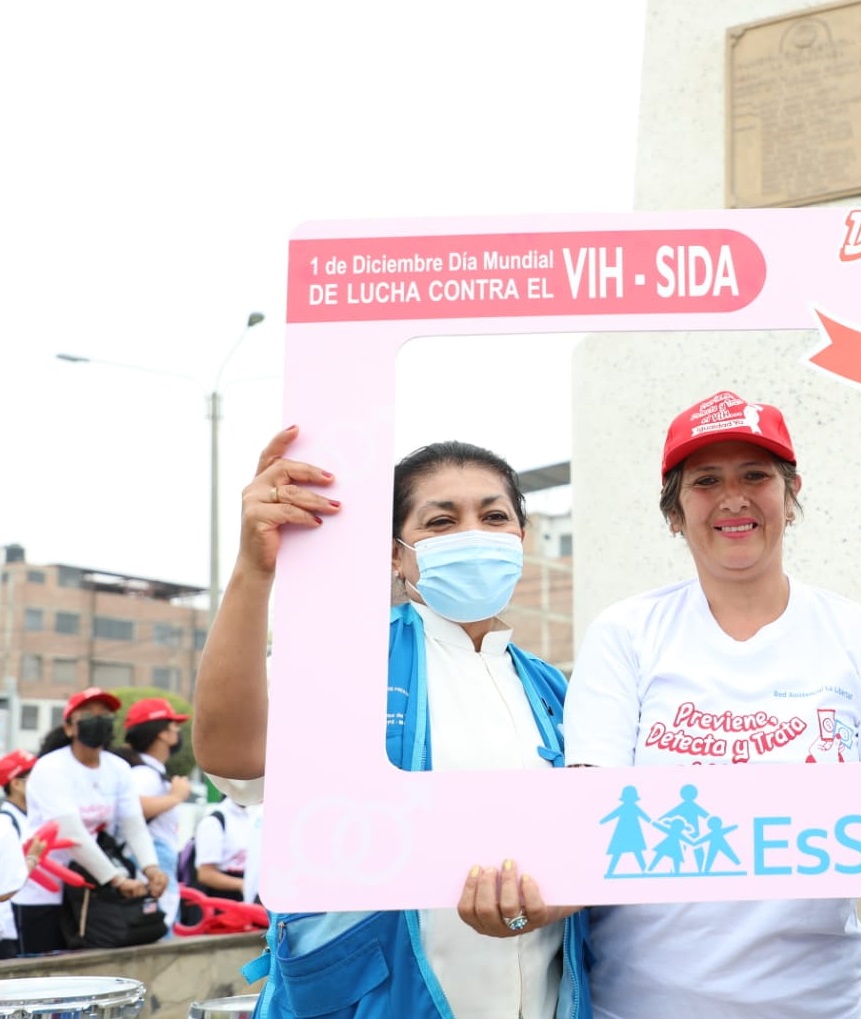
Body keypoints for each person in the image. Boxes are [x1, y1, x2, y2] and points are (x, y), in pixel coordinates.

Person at [192, 426, 589, 1019]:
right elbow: (236, 761)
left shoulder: (553, 689)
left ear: (522, 539)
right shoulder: (349, 659)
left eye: (494, 517)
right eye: (441, 521)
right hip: (379, 1000)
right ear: (396, 554)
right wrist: (254, 571)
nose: (473, 536)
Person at [564, 391, 861, 1019]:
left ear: (791, 493)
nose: (734, 499)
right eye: (706, 481)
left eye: (756, 476)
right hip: (639, 1004)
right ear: (674, 512)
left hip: (815, 1007)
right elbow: (589, 820)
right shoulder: (626, 634)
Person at [10, 688, 167, 955]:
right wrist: (116, 880)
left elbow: (133, 824)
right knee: (44, 963)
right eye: (88, 715)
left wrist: (151, 868)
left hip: (90, 885)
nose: (98, 721)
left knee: (84, 962)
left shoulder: (118, 768)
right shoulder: (51, 767)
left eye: (104, 715)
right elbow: (71, 833)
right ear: (69, 727)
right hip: (46, 885)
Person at [114, 697, 192, 934]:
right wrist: (175, 797)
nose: (177, 731)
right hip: (151, 860)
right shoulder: (144, 774)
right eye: (173, 725)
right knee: (159, 928)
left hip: (157, 858)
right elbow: (133, 807)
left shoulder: (148, 771)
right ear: (161, 734)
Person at [0, 750, 36, 958]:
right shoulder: (6, 822)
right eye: (34, 778)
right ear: (16, 784)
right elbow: (7, 886)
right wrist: (33, 858)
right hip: (13, 915)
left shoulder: (28, 817)